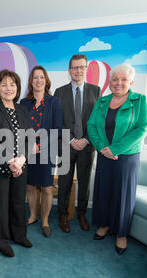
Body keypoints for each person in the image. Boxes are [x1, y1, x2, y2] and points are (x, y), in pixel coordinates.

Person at [87, 63, 147, 255]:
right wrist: (102, 148)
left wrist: (115, 149)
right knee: (104, 190)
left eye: (123, 79)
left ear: (131, 82)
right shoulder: (101, 102)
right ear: (109, 82)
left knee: (123, 195)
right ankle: (104, 225)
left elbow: (142, 128)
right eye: (115, 79)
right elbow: (91, 126)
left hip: (127, 156)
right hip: (105, 154)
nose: (118, 83)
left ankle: (121, 234)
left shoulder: (139, 101)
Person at [0, 69, 33, 257]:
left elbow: (29, 138)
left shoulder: (22, 109)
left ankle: (19, 235)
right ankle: (0, 241)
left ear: (18, 87)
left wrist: (21, 160)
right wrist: (9, 162)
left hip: (20, 165)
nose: (8, 88)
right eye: (4, 84)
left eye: (12, 84)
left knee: (18, 202)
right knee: (0, 205)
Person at [54, 54, 101, 233]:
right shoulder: (59, 92)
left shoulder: (96, 91)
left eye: (82, 67)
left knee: (84, 182)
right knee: (65, 183)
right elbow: (58, 121)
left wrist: (86, 139)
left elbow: (98, 120)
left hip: (87, 147)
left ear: (86, 69)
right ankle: (63, 215)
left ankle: (81, 214)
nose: (78, 71)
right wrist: (72, 140)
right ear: (69, 70)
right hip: (66, 146)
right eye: (74, 67)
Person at [20, 66, 63, 237]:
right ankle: (32, 215)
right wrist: (30, 144)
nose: (38, 81)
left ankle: (45, 220)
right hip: (28, 152)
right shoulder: (24, 103)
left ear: (46, 81)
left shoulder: (54, 102)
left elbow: (58, 129)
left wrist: (41, 145)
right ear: (31, 82)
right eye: (35, 78)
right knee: (30, 186)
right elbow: (21, 128)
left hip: (47, 151)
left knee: (46, 188)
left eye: (42, 77)